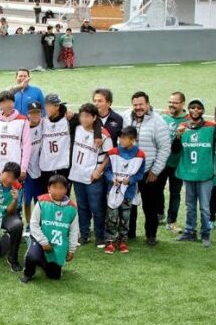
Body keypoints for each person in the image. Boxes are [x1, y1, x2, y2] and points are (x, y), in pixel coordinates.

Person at [172, 99, 216, 247]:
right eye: (193, 107)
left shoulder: (211, 128)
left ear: (203, 111)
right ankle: (189, 232)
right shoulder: (183, 127)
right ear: (188, 109)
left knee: (205, 207)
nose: (195, 110)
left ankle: (206, 234)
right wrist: (178, 136)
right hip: (188, 173)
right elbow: (175, 150)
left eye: (199, 108)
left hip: (205, 173)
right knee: (190, 205)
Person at [121, 91, 171, 246]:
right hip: (130, 171)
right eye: (135, 105)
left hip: (149, 172)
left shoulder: (158, 121)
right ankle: (130, 233)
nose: (138, 107)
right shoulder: (125, 117)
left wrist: (155, 170)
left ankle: (151, 235)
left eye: (141, 104)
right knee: (129, 204)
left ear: (148, 104)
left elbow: (164, 148)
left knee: (150, 206)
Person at [21, 175, 78, 283]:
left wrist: (71, 250)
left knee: (54, 276)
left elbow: (74, 231)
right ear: (48, 188)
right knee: (32, 257)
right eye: (54, 187)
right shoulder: (42, 202)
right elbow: (34, 224)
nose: (58, 191)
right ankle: (28, 272)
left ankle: (43, 261)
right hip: (40, 239)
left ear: (66, 189)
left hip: (57, 244)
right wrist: (44, 242)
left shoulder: (72, 208)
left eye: (61, 188)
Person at [69, 103, 109, 247]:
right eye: (82, 116)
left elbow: (109, 155)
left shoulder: (104, 135)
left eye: (87, 116)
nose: (84, 119)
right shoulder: (76, 128)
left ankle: (100, 236)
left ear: (94, 118)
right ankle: (84, 235)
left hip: (93, 178)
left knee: (96, 208)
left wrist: (99, 170)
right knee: (82, 207)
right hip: (77, 175)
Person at [104, 126, 145, 254]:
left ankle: (122, 240)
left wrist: (130, 180)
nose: (121, 140)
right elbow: (107, 171)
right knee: (112, 216)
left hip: (128, 192)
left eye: (124, 138)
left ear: (132, 140)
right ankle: (111, 241)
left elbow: (140, 174)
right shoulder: (112, 152)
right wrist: (112, 179)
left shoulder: (140, 155)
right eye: (120, 137)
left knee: (125, 217)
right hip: (113, 191)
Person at [160, 92, 188, 233]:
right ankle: (159, 213)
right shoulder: (162, 116)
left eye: (175, 103)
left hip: (178, 164)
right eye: (170, 102)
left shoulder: (189, 121)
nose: (171, 105)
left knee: (175, 193)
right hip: (162, 162)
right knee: (157, 190)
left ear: (182, 104)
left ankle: (171, 221)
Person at [0, 91, 32, 179]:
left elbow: (27, 145)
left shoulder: (23, 120)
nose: (7, 105)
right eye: (4, 102)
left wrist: (23, 168)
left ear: (14, 103)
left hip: (14, 167)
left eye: (9, 102)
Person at [37, 94, 75, 191]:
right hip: (46, 166)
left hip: (63, 166)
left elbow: (90, 117)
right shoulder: (43, 122)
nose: (46, 108)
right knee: (46, 194)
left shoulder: (68, 120)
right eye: (46, 105)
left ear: (57, 106)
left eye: (49, 106)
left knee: (63, 194)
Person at [22, 101, 44, 224]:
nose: (35, 115)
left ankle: (37, 223)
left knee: (39, 199)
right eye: (32, 113)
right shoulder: (24, 128)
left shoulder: (44, 124)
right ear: (28, 114)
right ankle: (29, 224)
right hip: (28, 170)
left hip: (40, 169)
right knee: (26, 200)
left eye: (37, 112)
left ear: (41, 113)